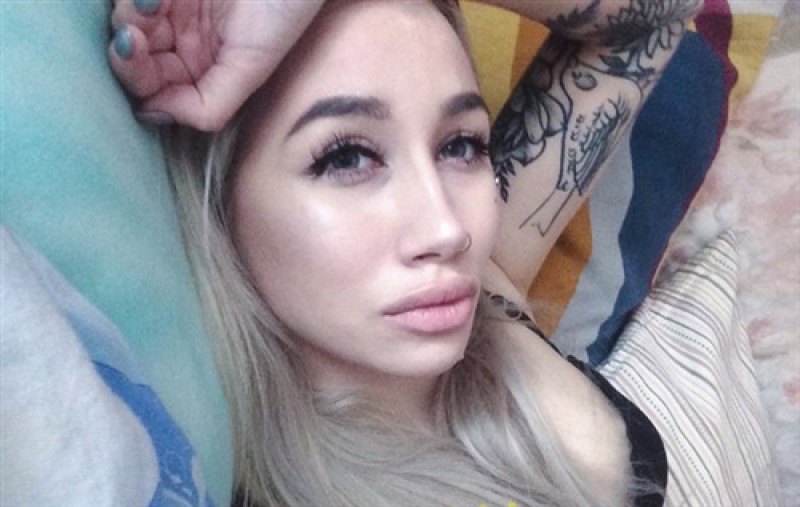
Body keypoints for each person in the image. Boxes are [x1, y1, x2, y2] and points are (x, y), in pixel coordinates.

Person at [109, 1, 702, 505]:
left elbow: (655, 15)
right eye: (347, 157)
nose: (447, 229)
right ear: (219, 198)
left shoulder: (487, 289)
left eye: (461, 145)